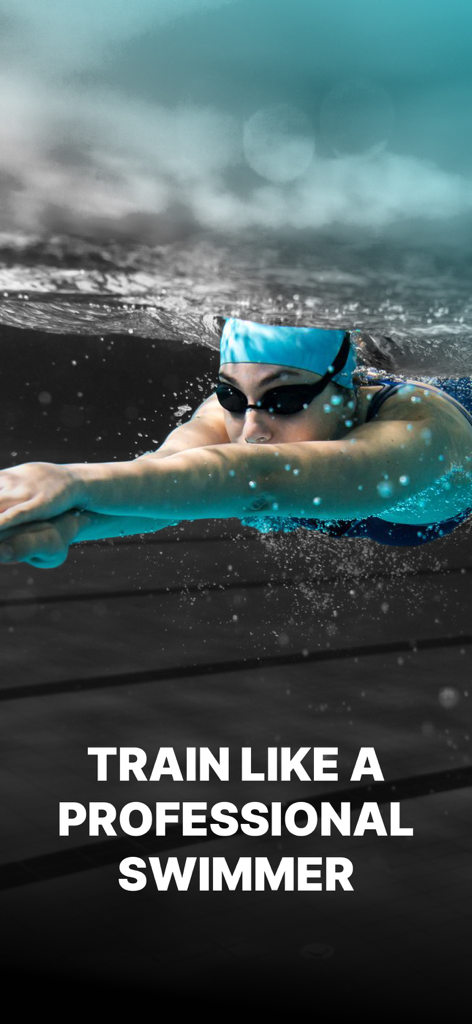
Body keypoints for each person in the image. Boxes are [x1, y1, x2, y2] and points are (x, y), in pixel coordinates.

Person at [0, 316, 471, 568]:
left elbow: (261, 480)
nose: (250, 430)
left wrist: (69, 480)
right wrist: (70, 527)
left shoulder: (421, 430)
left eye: (284, 399)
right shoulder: (240, 414)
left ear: (345, 392)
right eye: (231, 395)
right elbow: (164, 478)